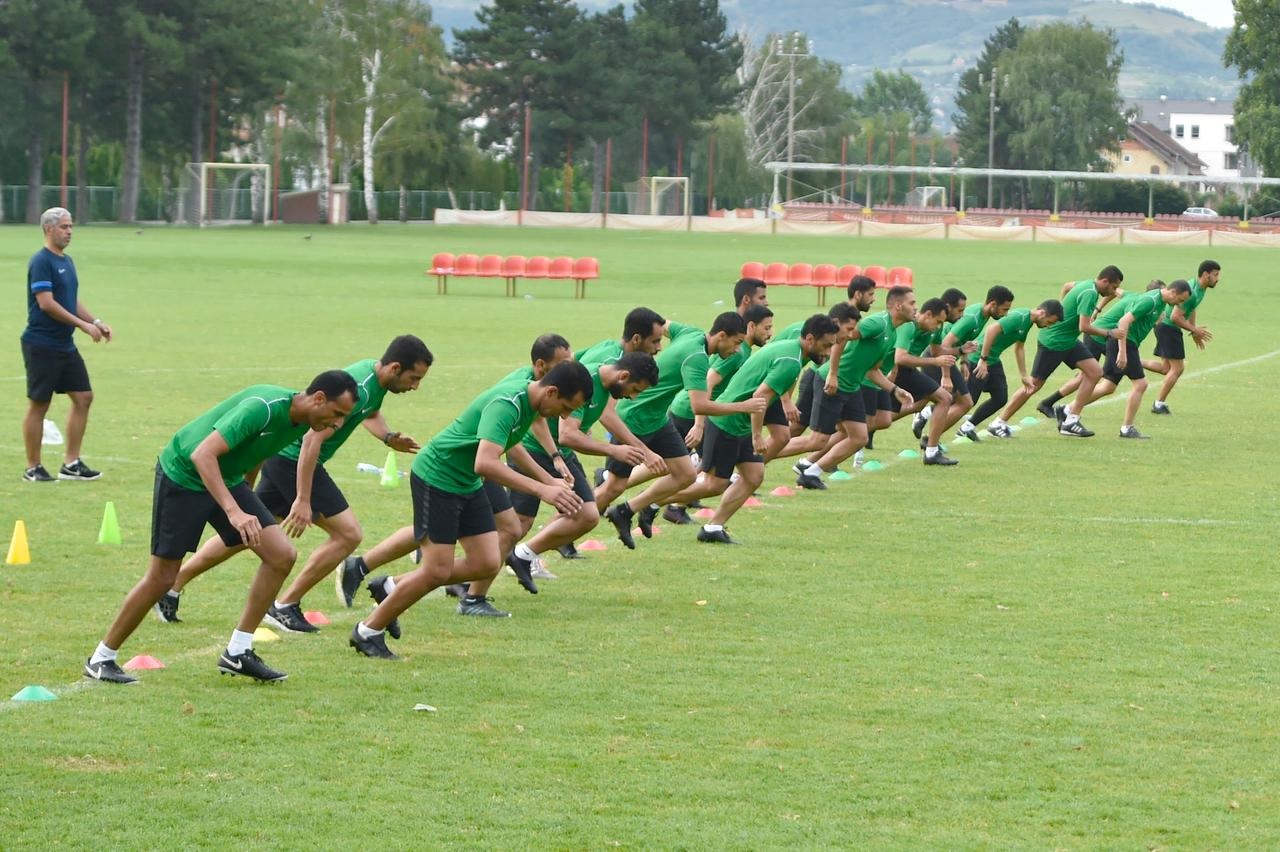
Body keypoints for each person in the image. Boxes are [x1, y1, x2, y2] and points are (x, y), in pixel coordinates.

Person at [83, 370, 358, 684]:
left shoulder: (300, 422)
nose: (337, 424)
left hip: (225, 478)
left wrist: (247, 501)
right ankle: (101, 658)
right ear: (318, 398)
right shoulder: (264, 407)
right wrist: (234, 511)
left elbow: (256, 453)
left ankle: (238, 652)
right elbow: (203, 453)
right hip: (184, 474)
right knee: (162, 577)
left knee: (281, 554)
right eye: (336, 414)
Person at [154, 336, 433, 631]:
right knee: (348, 535)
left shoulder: (371, 381)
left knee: (247, 534)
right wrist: (302, 498)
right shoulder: (360, 388)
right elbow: (311, 440)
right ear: (394, 368)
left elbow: (371, 413)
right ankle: (285, 604)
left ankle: (172, 585)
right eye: (414, 378)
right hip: (293, 461)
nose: (415, 386)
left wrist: (389, 438)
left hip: (280, 459)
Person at [349, 360, 593, 660]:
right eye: (567, 407)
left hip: (467, 482)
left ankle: (390, 586)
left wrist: (548, 478)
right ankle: (368, 632)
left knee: (488, 562)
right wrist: (542, 489)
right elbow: (486, 463)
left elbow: (511, 445)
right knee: (437, 570)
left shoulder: (531, 404)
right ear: (552, 392)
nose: (566, 416)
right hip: (438, 477)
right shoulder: (508, 403)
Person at [597, 313, 761, 550]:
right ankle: (569, 530)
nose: (737, 350)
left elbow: (661, 324)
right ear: (722, 336)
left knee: (686, 474)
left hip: (659, 420)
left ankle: (625, 510)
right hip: (634, 418)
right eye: (736, 343)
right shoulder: (697, 358)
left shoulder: (690, 332)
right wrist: (743, 407)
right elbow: (700, 405)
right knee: (613, 486)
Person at [668, 314, 837, 543]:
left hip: (740, 424)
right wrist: (757, 436)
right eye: (826, 346)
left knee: (754, 476)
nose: (828, 353)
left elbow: (772, 389)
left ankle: (713, 528)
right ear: (809, 339)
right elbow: (760, 398)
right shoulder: (791, 359)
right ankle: (655, 501)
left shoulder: (792, 352)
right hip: (727, 423)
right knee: (713, 485)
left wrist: (784, 404)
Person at [504, 352, 659, 580]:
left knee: (587, 514)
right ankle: (470, 578)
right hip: (534, 448)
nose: (633, 397)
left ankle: (523, 555)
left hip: (561, 454)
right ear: (623, 375)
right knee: (519, 522)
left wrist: (639, 448)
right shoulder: (585, 383)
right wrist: (614, 449)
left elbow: (607, 417)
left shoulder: (606, 386)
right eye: (635, 389)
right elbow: (568, 435)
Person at [21, 207, 112, 483]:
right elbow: (46, 303)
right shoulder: (41, 261)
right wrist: (82, 326)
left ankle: (71, 463)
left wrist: (94, 320)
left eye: (71, 226)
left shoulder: (67, 261)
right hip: (42, 344)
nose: (70, 231)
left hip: (64, 345)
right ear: (49, 229)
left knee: (84, 397)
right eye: (64, 227)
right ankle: (32, 468)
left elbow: (69, 299)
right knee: (40, 405)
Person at [794, 286, 916, 488]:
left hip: (851, 387)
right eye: (912, 303)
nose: (915, 308)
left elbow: (872, 371)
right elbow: (839, 337)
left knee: (859, 437)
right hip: (834, 383)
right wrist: (832, 374)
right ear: (897, 305)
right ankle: (760, 458)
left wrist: (894, 390)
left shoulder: (892, 334)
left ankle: (811, 473)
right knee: (816, 441)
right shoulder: (877, 323)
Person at [664, 303, 774, 524]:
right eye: (766, 328)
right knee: (710, 478)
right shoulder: (738, 352)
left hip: (705, 410)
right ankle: (663, 502)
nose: (770, 334)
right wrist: (699, 424)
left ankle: (675, 504)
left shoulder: (740, 349)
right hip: (693, 411)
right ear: (750, 327)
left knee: (705, 470)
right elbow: (708, 382)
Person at [997, 266, 1124, 438]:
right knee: (1033, 384)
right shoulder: (1090, 293)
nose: (1114, 292)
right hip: (1054, 342)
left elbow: (1066, 286)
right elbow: (1084, 327)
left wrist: (1058, 310)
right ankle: (999, 422)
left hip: (1068, 341)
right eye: (1113, 287)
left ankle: (1071, 420)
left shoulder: (1086, 284)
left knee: (1095, 372)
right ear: (1104, 281)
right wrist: (1110, 333)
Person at [1073, 280, 1192, 438]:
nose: (1180, 304)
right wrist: (1122, 352)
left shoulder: (1161, 303)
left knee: (1108, 386)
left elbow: (1119, 294)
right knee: (1141, 384)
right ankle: (1126, 428)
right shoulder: (1150, 301)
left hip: (1126, 343)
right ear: (1173, 292)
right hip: (1125, 342)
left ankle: (1068, 410)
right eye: (1181, 300)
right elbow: (1123, 321)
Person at [967, 300, 1063, 438]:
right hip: (979, 358)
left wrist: (1024, 376)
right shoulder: (1020, 316)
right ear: (1042, 313)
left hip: (993, 360)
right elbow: (991, 329)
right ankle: (928, 413)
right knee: (967, 400)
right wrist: (983, 359)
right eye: (1050, 322)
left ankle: (968, 427)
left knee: (1000, 397)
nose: (1048, 326)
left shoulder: (1028, 322)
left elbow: (1019, 347)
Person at [935, 285, 1013, 442]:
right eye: (1004, 310)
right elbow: (945, 345)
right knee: (958, 401)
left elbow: (964, 340)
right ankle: (929, 434)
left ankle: (931, 436)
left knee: (961, 401)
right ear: (992, 304)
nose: (1005, 314)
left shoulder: (981, 315)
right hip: (937, 359)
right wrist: (946, 376)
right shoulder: (972, 319)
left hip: (949, 359)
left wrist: (963, 362)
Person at [891, 297, 961, 466]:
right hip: (890, 371)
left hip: (908, 371)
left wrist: (960, 350)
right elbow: (899, 358)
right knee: (879, 419)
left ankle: (931, 452)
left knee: (943, 398)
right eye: (937, 322)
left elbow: (937, 350)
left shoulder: (935, 328)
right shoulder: (908, 325)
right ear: (927, 314)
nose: (939, 327)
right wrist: (934, 362)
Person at [1144, 259, 1220, 414]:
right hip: (1168, 327)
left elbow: (1191, 308)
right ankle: (1158, 404)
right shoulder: (1192, 290)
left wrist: (1193, 330)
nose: (1217, 279)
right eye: (1215, 275)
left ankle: (1132, 362)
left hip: (1164, 327)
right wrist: (1194, 330)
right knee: (1178, 368)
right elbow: (1175, 317)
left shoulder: (1199, 289)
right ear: (1205, 275)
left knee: (1166, 368)